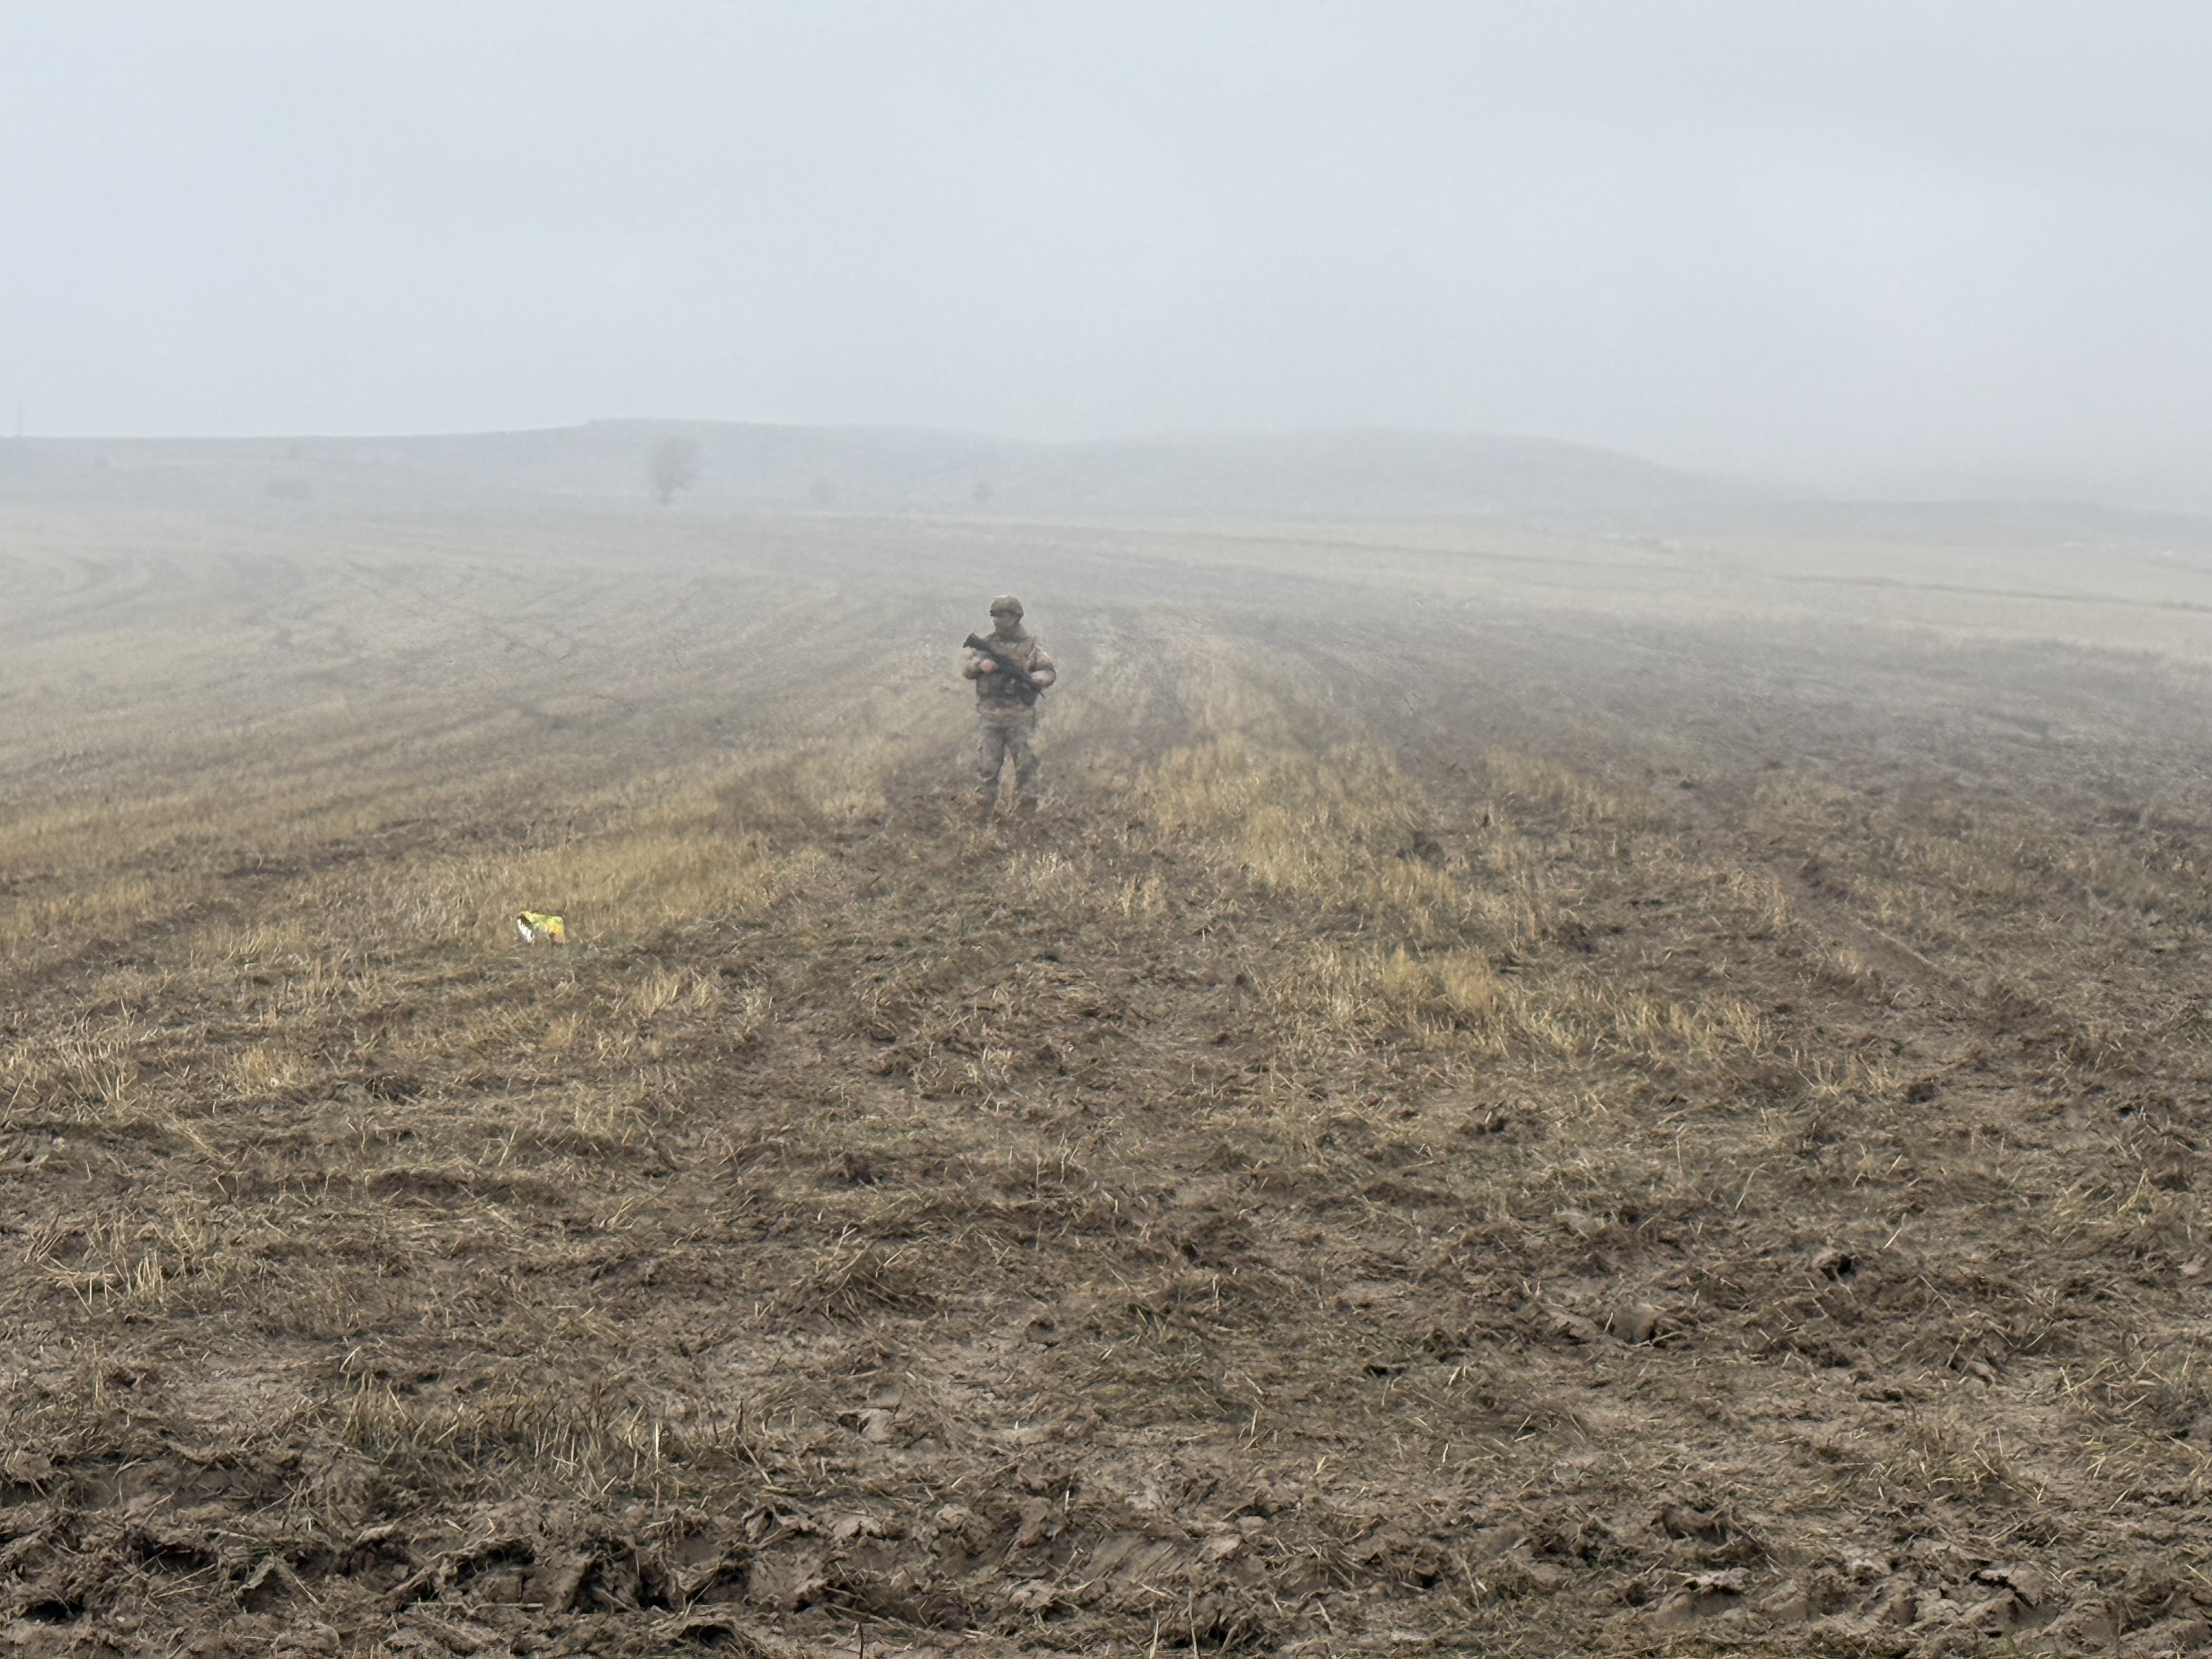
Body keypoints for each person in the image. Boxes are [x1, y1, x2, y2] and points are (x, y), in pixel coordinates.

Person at [962, 595, 1056, 813]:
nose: (997, 621)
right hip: (990, 714)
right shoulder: (986, 644)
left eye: (1002, 616)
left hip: (1019, 713)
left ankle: (1026, 811)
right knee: (987, 766)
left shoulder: (1031, 646)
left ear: (1016, 617)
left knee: (1025, 763)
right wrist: (979, 664)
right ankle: (983, 810)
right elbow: (966, 670)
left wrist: (1035, 680)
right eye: (994, 616)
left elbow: (1048, 672)